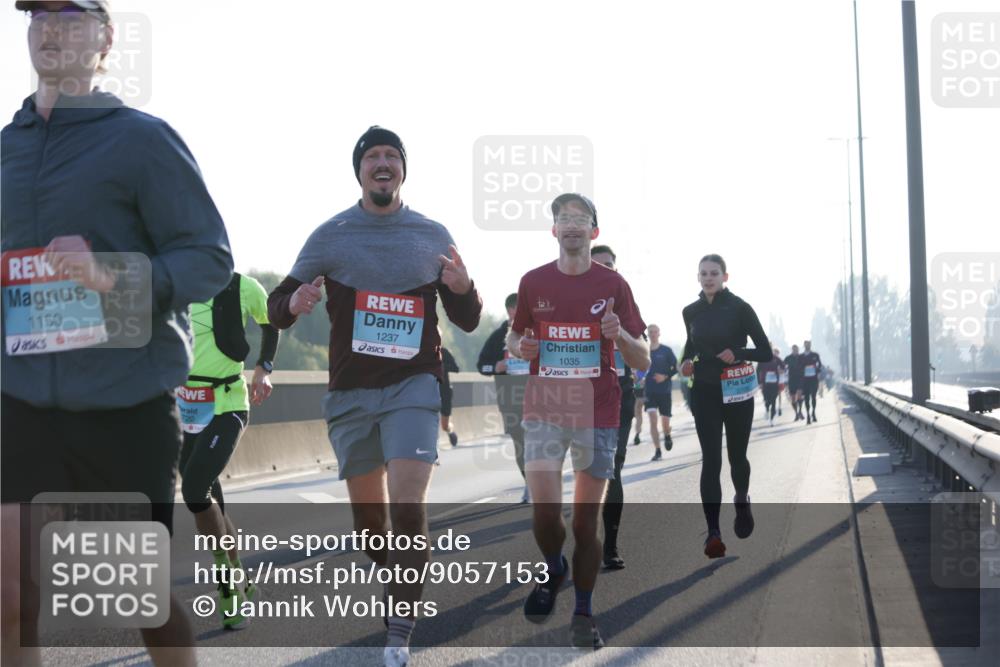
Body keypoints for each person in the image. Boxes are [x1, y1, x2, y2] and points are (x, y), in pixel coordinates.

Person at [2, 2, 234, 664]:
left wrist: (112, 274)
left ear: (105, 38)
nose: (50, 29)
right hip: (19, 401)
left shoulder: (141, 139)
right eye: (37, 15)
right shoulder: (5, 149)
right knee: (10, 594)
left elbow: (208, 259)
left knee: (141, 598)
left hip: (124, 401)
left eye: (69, 15)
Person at [267, 126, 482, 667]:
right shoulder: (331, 235)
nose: (382, 163)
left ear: (403, 170)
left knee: (408, 505)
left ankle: (400, 628)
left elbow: (469, 317)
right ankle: (399, 583)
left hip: (414, 384)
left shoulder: (432, 234)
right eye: (372, 157)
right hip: (350, 394)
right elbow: (275, 308)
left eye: (392, 156)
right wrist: (295, 300)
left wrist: (462, 288)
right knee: (370, 527)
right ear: (359, 170)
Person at [507, 194, 649, 650]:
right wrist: (519, 348)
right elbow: (515, 336)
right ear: (553, 230)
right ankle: (554, 566)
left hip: (597, 411)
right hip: (545, 407)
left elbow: (642, 355)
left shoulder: (614, 284)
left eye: (580, 219)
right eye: (563, 219)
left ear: (594, 231)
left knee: (586, 525)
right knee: (545, 514)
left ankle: (584, 611)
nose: (571, 226)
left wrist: (620, 335)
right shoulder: (532, 282)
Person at [180, 272, 279, 629]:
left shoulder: (244, 287)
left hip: (228, 403)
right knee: (212, 504)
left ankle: (228, 590)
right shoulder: (175, 284)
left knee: (193, 491)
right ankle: (243, 579)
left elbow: (272, 324)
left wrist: (264, 368)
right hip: (187, 407)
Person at [679, 254, 771, 559]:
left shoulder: (740, 308)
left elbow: (765, 351)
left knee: (736, 456)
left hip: (737, 391)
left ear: (725, 277)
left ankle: (742, 500)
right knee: (710, 460)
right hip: (704, 391)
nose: (708, 278)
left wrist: (738, 351)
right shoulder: (689, 311)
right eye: (703, 273)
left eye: (714, 273)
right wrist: (685, 363)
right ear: (698, 277)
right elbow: (692, 347)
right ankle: (713, 533)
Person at [591, 244, 638, 570]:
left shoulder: (624, 300)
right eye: (599, 265)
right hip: (574, 396)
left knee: (612, 467)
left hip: (618, 393)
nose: (606, 270)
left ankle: (610, 545)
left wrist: (621, 335)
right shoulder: (567, 299)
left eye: (611, 265)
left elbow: (641, 349)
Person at [476, 293, 530, 503]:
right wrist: (496, 367)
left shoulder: (537, 333)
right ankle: (530, 483)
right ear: (509, 311)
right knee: (520, 443)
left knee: (541, 441)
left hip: (539, 396)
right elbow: (482, 365)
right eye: (516, 313)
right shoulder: (498, 336)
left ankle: (543, 482)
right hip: (510, 399)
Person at [644, 324, 678, 461]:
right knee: (652, 420)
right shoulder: (644, 351)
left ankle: (667, 435)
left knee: (665, 422)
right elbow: (639, 368)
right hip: (650, 391)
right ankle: (657, 450)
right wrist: (637, 376)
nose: (652, 334)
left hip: (664, 391)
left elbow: (676, 368)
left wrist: (664, 376)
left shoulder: (666, 350)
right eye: (650, 332)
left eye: (655, 332)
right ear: (648, 334)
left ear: (659, 333)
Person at [757, 347, 783, 426]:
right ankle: (767, 409)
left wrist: (781, 370)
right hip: (765, 383)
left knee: (774, 400)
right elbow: (758, 370)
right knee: (767, 400)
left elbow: (783, 366)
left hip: (774, 383)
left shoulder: (776, 358)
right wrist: (760, 383)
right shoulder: (762, 359)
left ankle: (772, 419)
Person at [439, 346, 460, 447]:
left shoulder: (443, 351)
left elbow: (456, 368)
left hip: (444, 392)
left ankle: (450, 431)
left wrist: (441, 366)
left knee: (444, 425)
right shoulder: (420, 352)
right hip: (427, 392)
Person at [800, 340, 823, 423]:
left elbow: (820, 365)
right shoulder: (801, 356)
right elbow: (798, 366)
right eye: (806, 345)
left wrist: (817, 369)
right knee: (806, 398)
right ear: (804, 346)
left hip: (813, 379)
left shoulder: (815, 355)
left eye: (809, 344)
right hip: (805, 380)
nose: (807, 346)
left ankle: (813, 412)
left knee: (813, 397)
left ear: (810, 345)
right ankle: (808, 415)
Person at [784, 344, 805, 422]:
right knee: (793, 398)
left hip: (800, 379)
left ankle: (800, 411)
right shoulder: (788, 358)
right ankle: (796, 413)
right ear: (792, 350)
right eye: (794, 350)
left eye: (797, 350)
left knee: (799, 395)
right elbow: (783, 367)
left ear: (798, 350)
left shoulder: (802, 357)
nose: (795, 351)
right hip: (792, 379)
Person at [631, 367, 647, 445]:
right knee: (638, 415)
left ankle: (638, 434)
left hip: (647, 394)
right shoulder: (633, 369)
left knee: (651, 415)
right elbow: (634, 382)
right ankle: (637, 434)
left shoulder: (648, 366)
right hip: (638, 395)